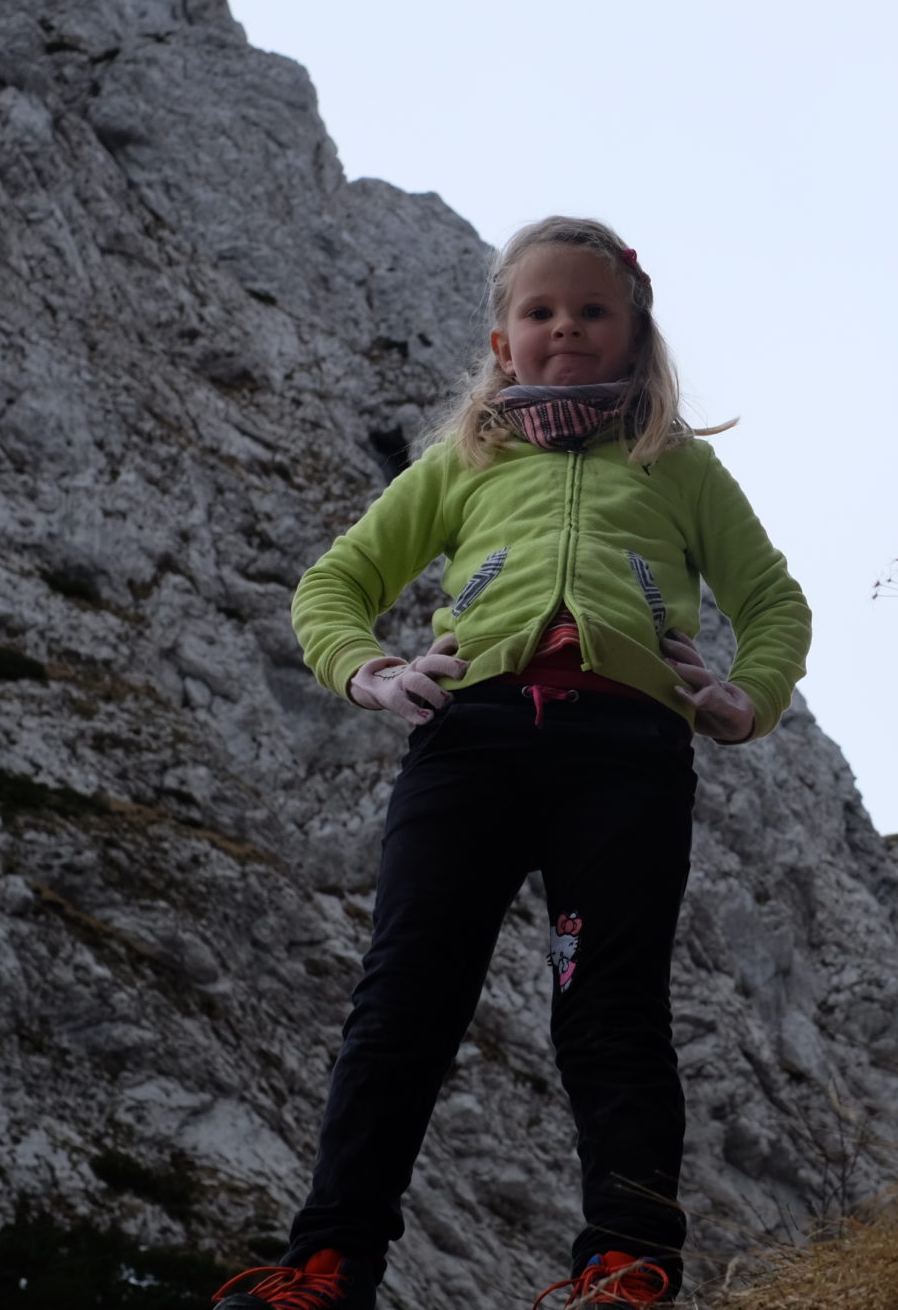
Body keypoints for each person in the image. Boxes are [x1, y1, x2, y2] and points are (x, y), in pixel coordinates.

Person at [211, 217, 811, 1309]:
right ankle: (327, 1266)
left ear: (634, 336)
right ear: (500, 342)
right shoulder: (462, 461)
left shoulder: (677, 467)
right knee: (404, 1002)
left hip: (625, 755)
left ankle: (626, 1268)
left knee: (611, 1010)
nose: (565, 328)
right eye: (539, 312)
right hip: (467, 746)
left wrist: (742, 701)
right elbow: (330, 588)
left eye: (592, 310)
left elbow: (771, 604)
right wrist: (372, 673)